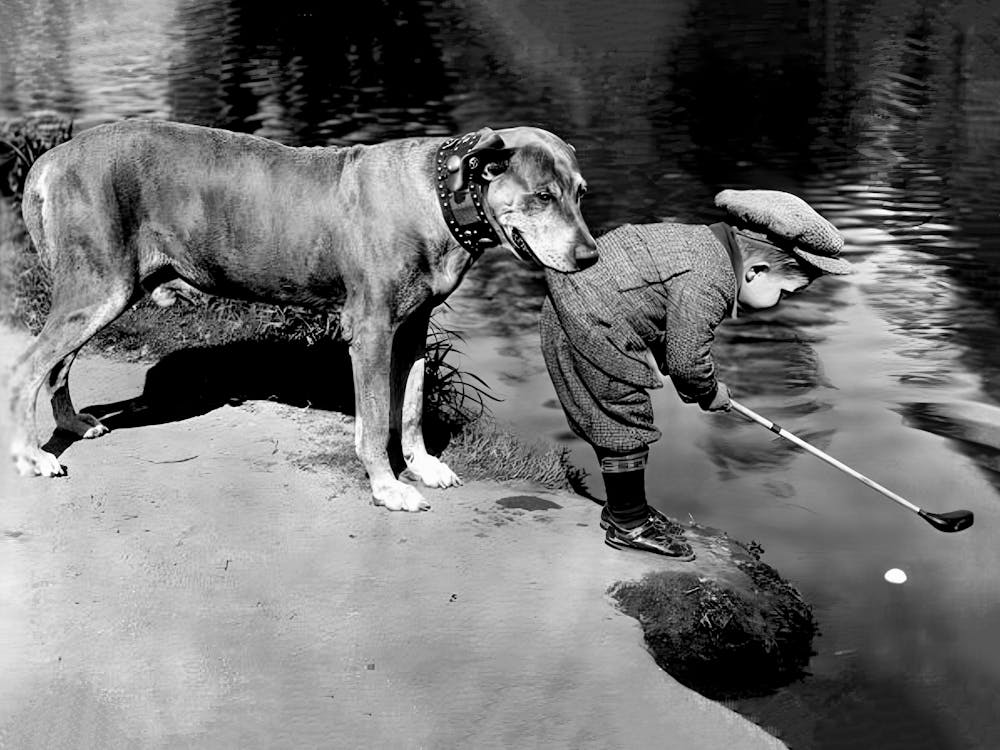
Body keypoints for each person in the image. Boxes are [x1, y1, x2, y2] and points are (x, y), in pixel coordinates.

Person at [540, 189, 852, 559]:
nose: (781, 303)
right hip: (588, 321)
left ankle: (625, 509)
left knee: (615, 417)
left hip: (580, 307)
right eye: (784, 293)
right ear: (755, 271)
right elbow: (688, 360)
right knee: (622, 419)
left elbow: (660, 316)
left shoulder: (700, 244)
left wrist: (690, 376)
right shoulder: (711, 279)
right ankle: (628, 523)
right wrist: (708, 391)